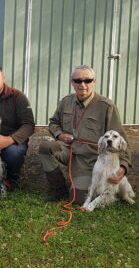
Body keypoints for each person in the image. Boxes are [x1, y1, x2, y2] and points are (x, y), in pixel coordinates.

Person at [38, 65, 132, 205]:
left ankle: (111, 188)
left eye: (87, 80)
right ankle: (57, 188)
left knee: (78, 199)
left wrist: (123, 168)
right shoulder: (66, 102)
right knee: (46, 146)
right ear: (72, 82)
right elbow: (53, 123)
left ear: (94, 81)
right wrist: (59, 134)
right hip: (67, 150)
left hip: (90, 159)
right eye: (78, 80)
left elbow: (121, 140)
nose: (82, 85)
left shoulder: (106, 106)